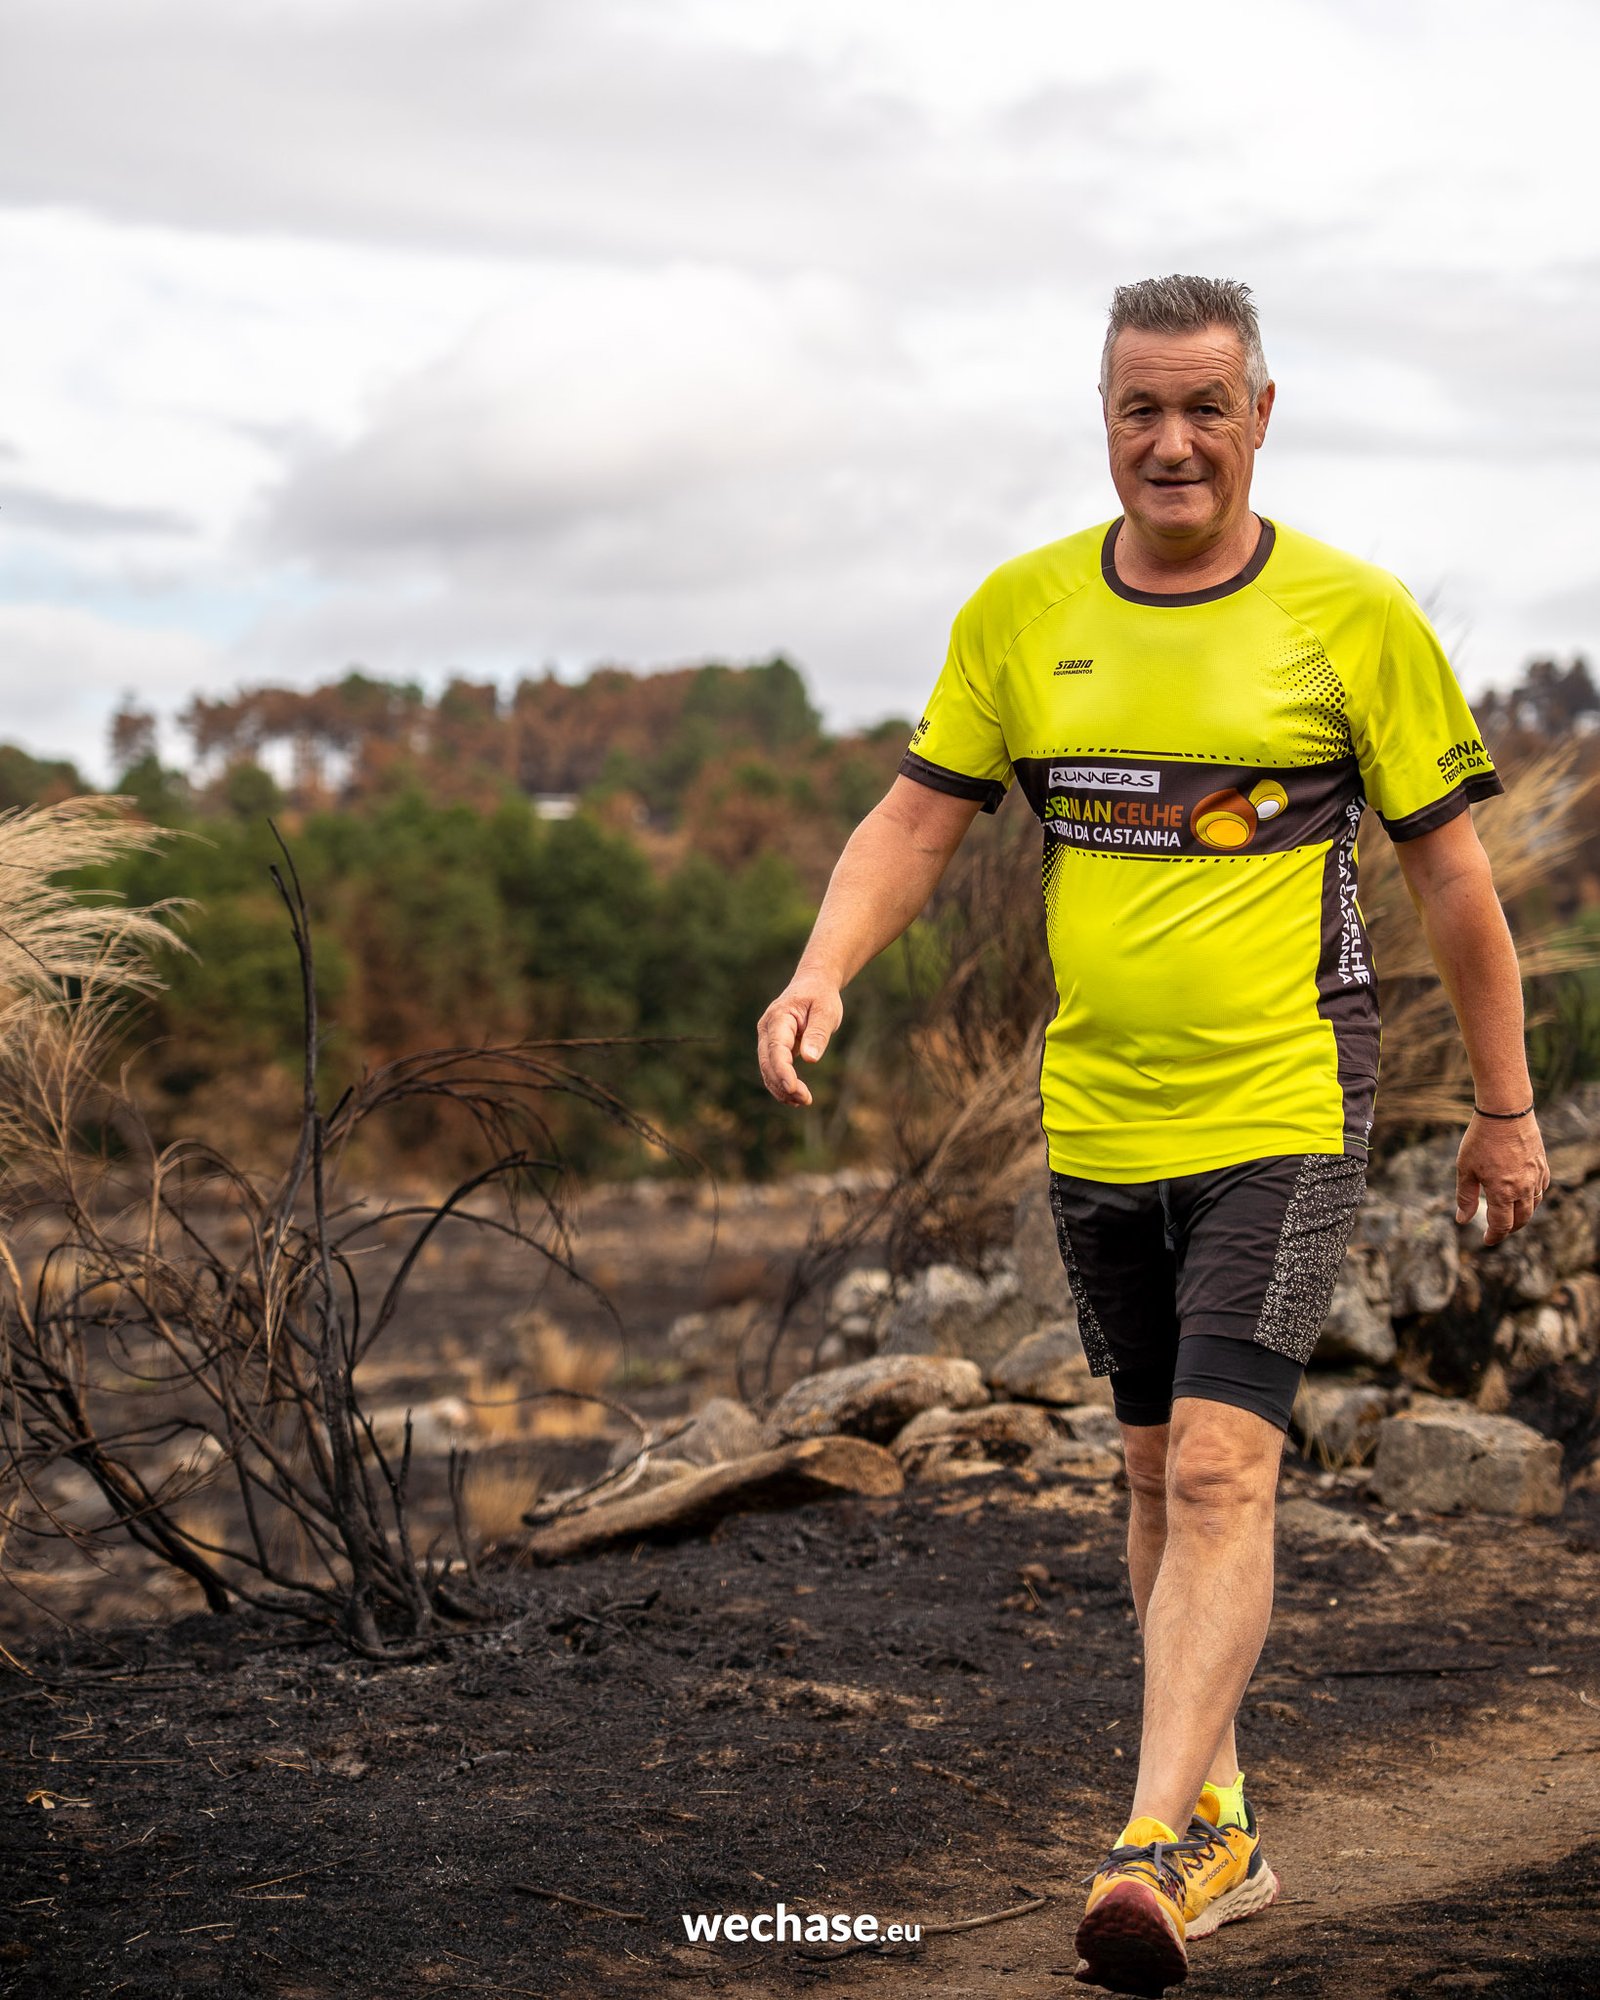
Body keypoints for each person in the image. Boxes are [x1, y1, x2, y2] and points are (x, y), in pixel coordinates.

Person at [756, 273, 1549, 1996]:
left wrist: (1505, 1108)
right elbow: (914, 822)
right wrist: (821, 970)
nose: (1172, 442)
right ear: (1102, 417)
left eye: (1206, 407)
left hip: (1287, 1111)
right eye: (1140, 409)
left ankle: (1144, 1846)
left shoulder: (1355, 618)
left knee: (1216, 1465)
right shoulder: (1023, 612)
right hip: (1096, 1119)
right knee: (1142, 1474)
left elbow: (1457, 883)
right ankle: (1227, 1827)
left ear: (1264, 413)